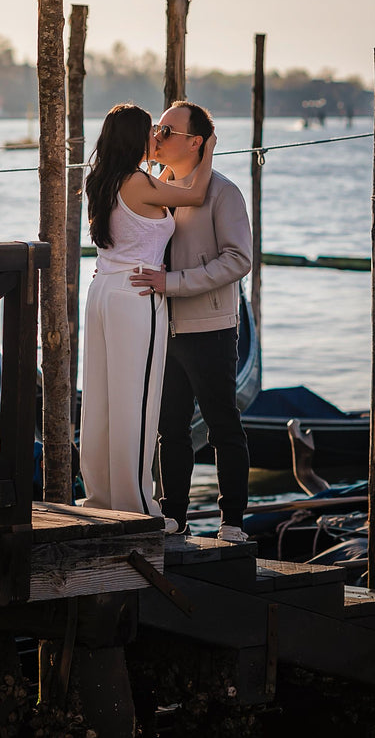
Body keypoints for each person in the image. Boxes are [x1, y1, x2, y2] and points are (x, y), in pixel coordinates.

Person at [80, 103, 216, 516]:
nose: (156, 136)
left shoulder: (101, 179)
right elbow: (195, 192)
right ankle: (137, 503)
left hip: (102, 290)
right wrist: (207, 148)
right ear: (135, 138)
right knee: (136, 400)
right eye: (151, 131)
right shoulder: (138, 183)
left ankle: (102, 496)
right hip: (136, 293)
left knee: (101, 399)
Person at [130, 101, 253, 543]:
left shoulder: (224, 192)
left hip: (211, 328)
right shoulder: (155, 186)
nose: (157, 136)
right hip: (163, 326)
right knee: (170, 428)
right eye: (157, 129)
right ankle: (174, 516)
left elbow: (239, 260)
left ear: (196, 142)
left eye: (167, 130)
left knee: (223, 425)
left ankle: (233, 521)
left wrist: (173, 282)